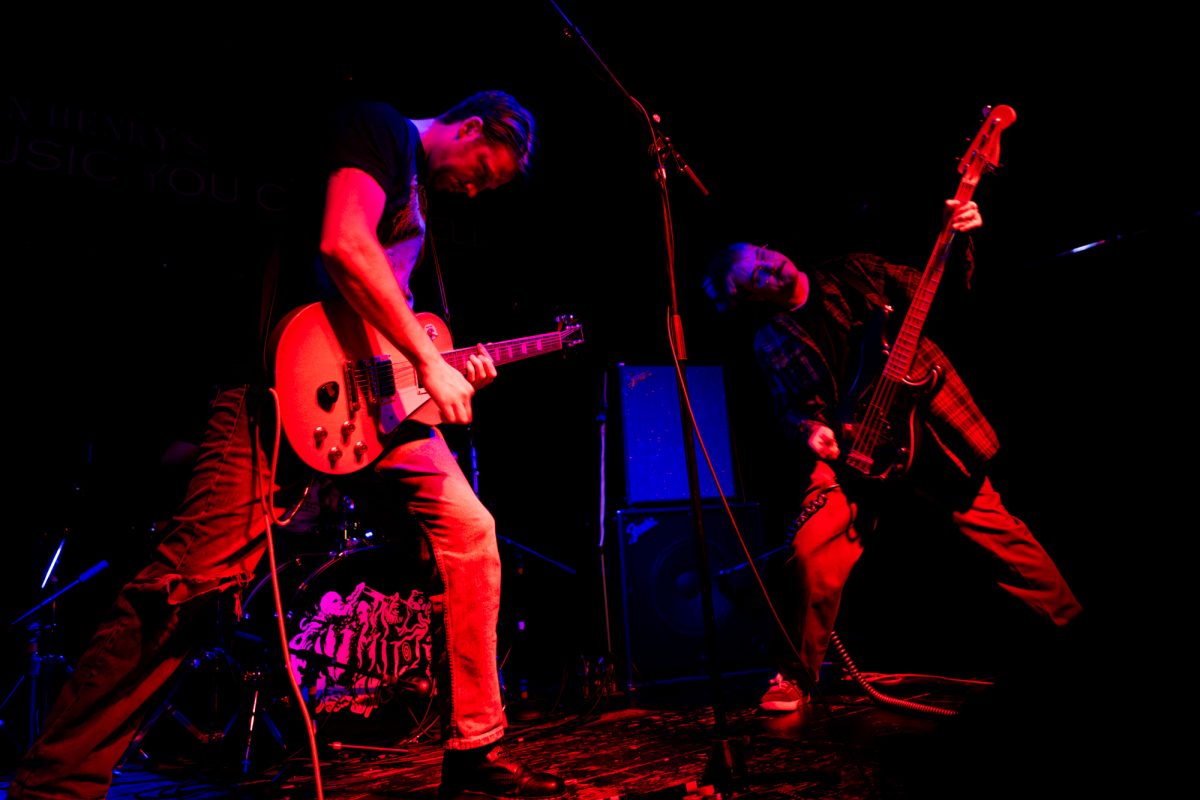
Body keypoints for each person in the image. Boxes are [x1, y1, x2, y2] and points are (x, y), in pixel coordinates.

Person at [8, 91, 566, 800]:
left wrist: (438, 361)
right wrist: (428, 364)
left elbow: (383, 307)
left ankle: (474, 749)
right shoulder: (380, 131)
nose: (478, 187)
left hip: (377, 408)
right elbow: (343, 242)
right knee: (186, 586)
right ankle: (53, 783)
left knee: (471, 530)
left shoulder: (422, 194)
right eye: (484, 168)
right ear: (470, 126)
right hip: (281, 389)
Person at [701, 199, 1084, 714]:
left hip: (927, 431)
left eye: (762, 253)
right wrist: (812, 431)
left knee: (1005, 538)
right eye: (756, 274)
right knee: (810, 553)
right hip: (854, 456)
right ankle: (795, 676)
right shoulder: (770, 339)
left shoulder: (855, 273)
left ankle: (1079, 635)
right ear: (751, 298)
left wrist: (961, 236)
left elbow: (940, 286)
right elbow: (792, 409)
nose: (771, 263)